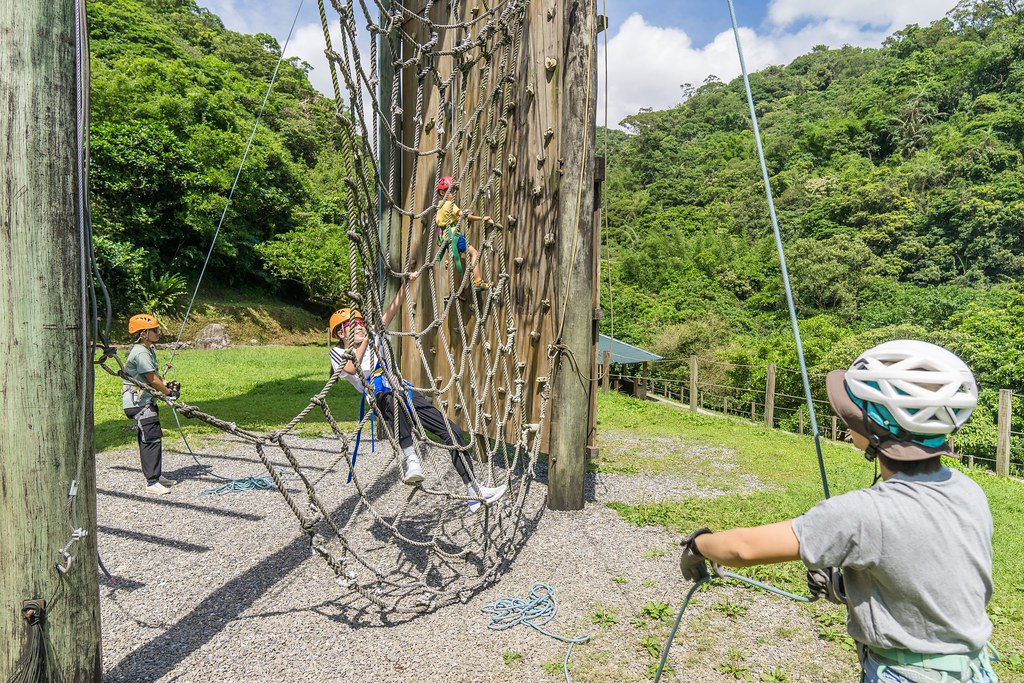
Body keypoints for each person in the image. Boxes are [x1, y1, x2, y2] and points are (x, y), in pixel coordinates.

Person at [678, 340, 997, 683]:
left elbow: (742, 549)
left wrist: (698, 546)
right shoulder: (967, 489)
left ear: (874, 430)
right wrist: (854, 586)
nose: (845, 418)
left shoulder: (863, 512)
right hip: (974, 670)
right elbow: (931, 566)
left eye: (853, 413)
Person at [329, 276, 506, 511]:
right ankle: (411, 459)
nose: (360, 326)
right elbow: (350, 368)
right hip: (383, 398)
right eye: (354, 325)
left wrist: (406, 285)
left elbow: (390, 312)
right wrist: (368, 340)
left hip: (403, 390)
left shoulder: (372, 335)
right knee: (394, 399)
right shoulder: (338, 352)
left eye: (361, 323)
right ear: (342, 333)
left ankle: (474, 490)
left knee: (451, 431)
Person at [122, 314, 181, 496]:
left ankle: (156, 476)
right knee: (151, 439)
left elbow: (155, 377)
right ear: (143, 333)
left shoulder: (148, 350)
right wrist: (169, 392)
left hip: (146, 401)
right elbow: (152, 380)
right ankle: (152, 482)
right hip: (139, 403)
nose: (158, 332)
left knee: (153, 437)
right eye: (154, 330)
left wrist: (167, 384)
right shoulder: (140, 352)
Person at [435, 176, 489, 293]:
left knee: (456, 262)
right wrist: (481, 218)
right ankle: (478, 281)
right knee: (474, 252)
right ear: (442, 192)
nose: (453, 194)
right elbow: (464, 216)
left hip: (445, 239)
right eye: (451, 191)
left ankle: (456, 290)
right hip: (455, 236)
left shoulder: (439, 206)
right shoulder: (450, 204)